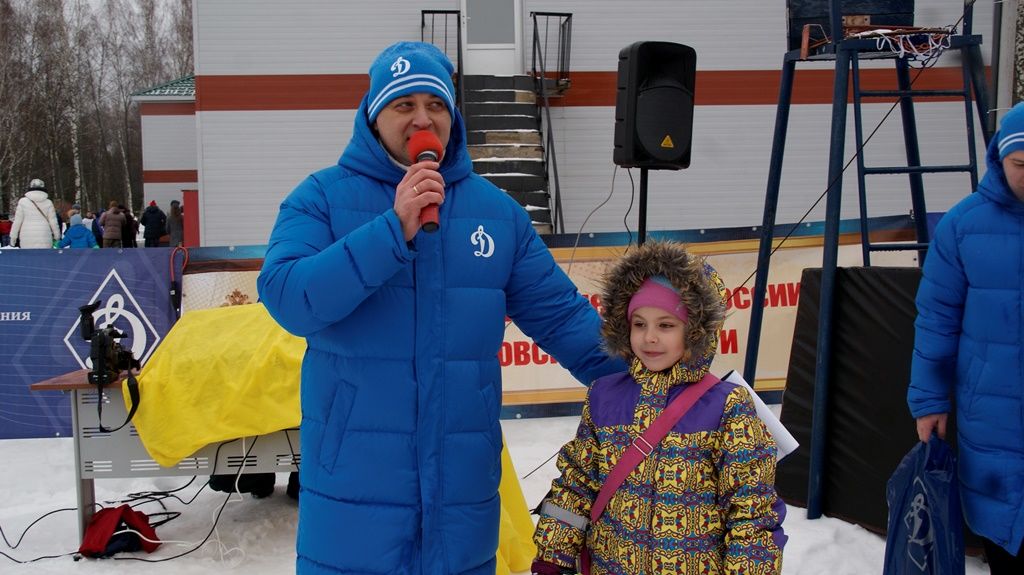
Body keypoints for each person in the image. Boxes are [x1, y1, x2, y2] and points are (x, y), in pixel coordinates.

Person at [257, 41, 623, 574]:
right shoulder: (320, 198)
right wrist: (392, 229)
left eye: (435, 105)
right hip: (352, 491)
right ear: (374, 116)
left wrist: (659, 380)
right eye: (404, 104)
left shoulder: (497, 214)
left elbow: (565, 319)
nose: (422, 118)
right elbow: (290, 298)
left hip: (461, 491)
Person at [531, 241, 787, 575]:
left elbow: (751, 512)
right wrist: (553, 556)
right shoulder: (604, 397)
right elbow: (576, 486)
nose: (649, 337)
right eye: (639, 324)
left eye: (666, 325)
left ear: (695, 331)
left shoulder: (727, 407)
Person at [909, 101, 1024, 573]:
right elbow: (936, 319)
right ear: (999, 159)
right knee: (1004, 533)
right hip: (992, 417)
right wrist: (929, 400)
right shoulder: (962, 226)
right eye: (1021, 165)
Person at [9, 178, 60, 249]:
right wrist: (57, 236)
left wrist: (13, 237)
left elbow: (17, 221)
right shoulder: (48, 202)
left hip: (26, 234)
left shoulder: (23, 202)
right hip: (44, 234)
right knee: (45, 255)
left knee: (28, 255)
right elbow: (53, 221)